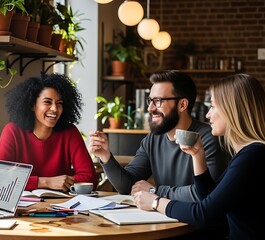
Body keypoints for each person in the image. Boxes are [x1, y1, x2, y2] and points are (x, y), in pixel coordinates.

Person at [134, 74, 265, 240]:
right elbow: (208, 198)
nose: (208, 115)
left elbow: (205, 214)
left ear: (233, 110)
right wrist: (198, 157)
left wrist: (155, 202)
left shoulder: (254, 156)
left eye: (213, 106)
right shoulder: (250, 153)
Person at [89, 70, 228, 201]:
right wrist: (106, 157)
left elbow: (206, 193)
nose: (150, 108)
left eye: (158, 101)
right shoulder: (153, 139)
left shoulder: (208, 138)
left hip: (196, 226)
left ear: (182, 105)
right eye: (150, 101)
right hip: (165, 220)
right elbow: (127, 186)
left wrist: (155, 191)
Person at [0, 73, 98, 192]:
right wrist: (46, 182)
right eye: (47, 102)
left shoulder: (70, 132)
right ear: (33, 105)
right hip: (21, 207)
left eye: (59, 103)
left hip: (61, 206)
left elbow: (90, 180)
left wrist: (20, 181)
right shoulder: (12, 131)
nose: (54, 109)